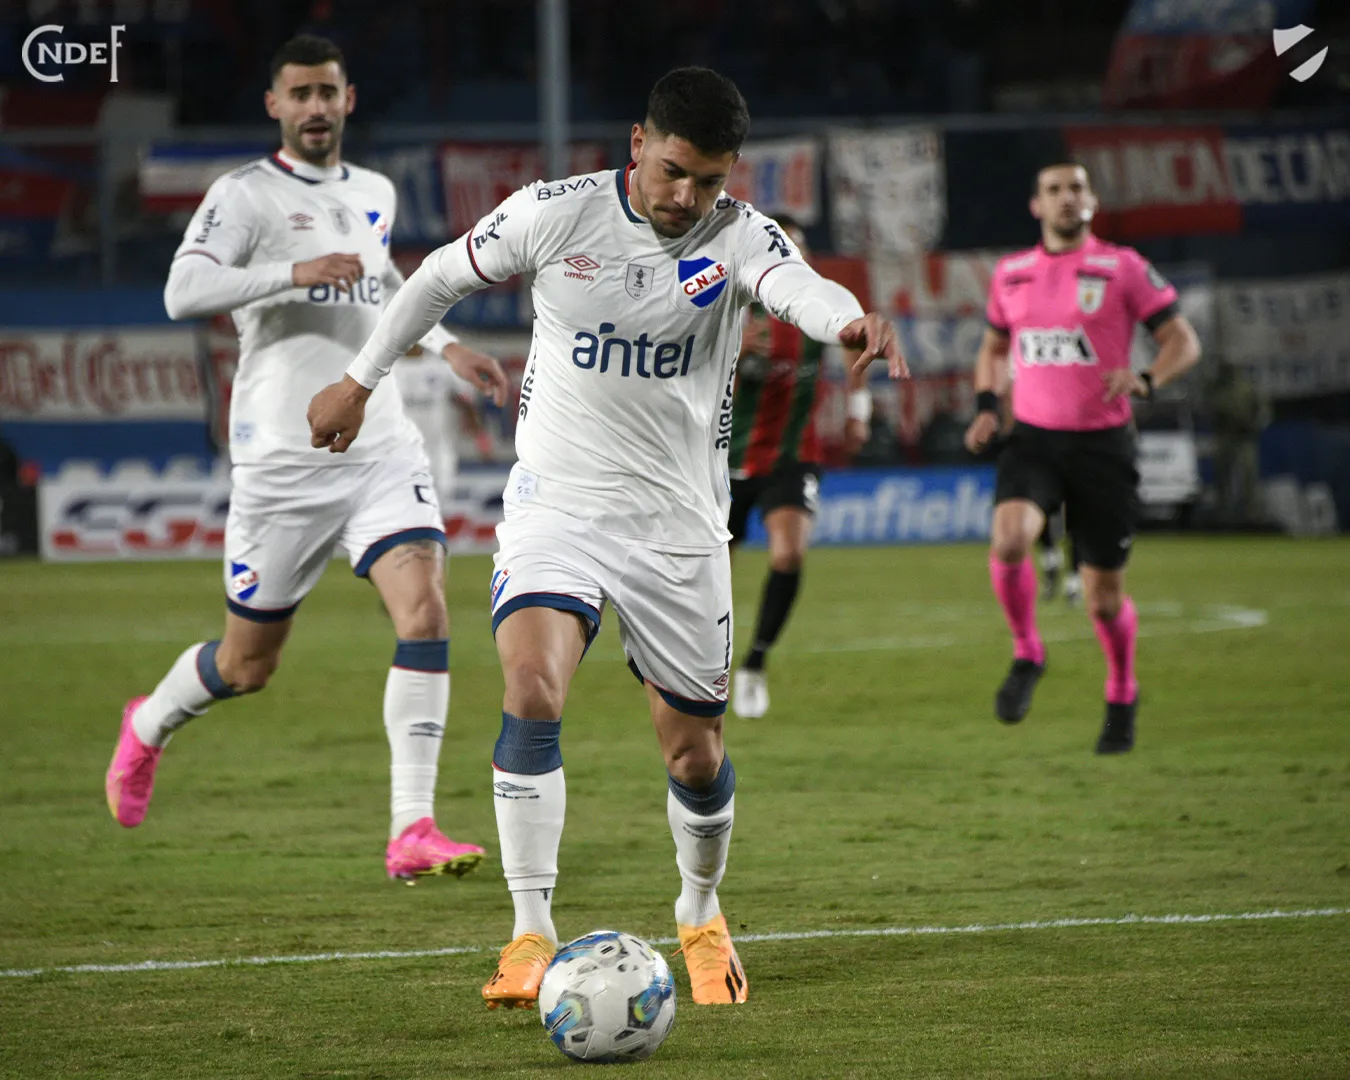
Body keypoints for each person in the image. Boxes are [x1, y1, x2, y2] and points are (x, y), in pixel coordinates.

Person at [307, 66, 906, 1007]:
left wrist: (850, 323)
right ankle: (529, 932)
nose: (687, 196)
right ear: (638, 142)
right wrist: (359, 380)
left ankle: (700, 910)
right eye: (673, 171)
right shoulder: (555, 214)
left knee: (693, 753)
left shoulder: (739, 234)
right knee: (531, 689)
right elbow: (438, 277)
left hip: (678, 526)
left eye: (709, 180)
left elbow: (798, 287)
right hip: (560, 506)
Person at [104, 35, 510, 882]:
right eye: (300, 94)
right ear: (275, 105)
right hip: (282, 461)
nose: (316, 107)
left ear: (349, 99)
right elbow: (184, 290)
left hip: (379, 444)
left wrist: (447, 346)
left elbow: (381, 286)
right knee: (247, 665)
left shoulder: (374, 190)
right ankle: (147, 725)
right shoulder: (244, 194)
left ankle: (412, 829)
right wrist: (293, 271)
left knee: (426, 612)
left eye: (328, 92)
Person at [964, 162, 1200, 753]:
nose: (1067, 198)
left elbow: (1183, 341)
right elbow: (993, 348)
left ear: (1092, 200)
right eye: (1054, 190)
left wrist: (1147, 378)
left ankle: (1121, 691)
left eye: (1076, 188)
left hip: (1103, 446)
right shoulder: (1011, 273)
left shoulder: (1123, 267)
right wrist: (988, 405)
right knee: (1009, 538)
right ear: (1036, 205)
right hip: (1034, 439)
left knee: (1103, 598)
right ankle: (1028, 651)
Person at [725, 215, 871, 719]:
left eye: (798, 249)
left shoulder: (818, 308)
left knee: (788, 554)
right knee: (709, 578)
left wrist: (858, 412)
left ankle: (755, 662)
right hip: (721, 461)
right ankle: (709, 665)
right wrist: (730, 351)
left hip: (791, 456)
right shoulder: (731, 307)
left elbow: (855, 346)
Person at [394, 346, 489, 511]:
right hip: (400, 452)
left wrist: (482, 441)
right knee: (404, 507)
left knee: (439, 506)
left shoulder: (441, 367)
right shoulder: (388, 370)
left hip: (437, 452)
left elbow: (465, 403)